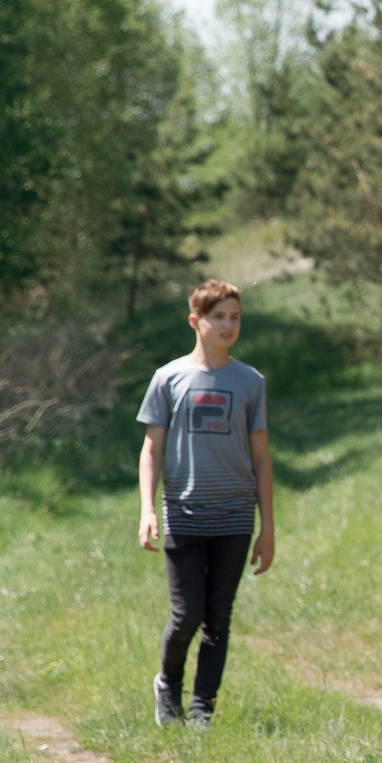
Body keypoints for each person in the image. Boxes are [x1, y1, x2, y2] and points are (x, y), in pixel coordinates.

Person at [136, 279, 275, 730]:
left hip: (235, 516)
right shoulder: (169, 378)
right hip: (184, 512)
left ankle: (201, 709)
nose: (228, 325)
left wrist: (267, 526)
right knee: (187, 614)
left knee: (219, 617)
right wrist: (147, 510)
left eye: (235, 317)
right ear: (196, 321)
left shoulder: (250, 382)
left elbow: (260, 456)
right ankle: (168, 686)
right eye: (219, 317)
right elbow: (151, 449)